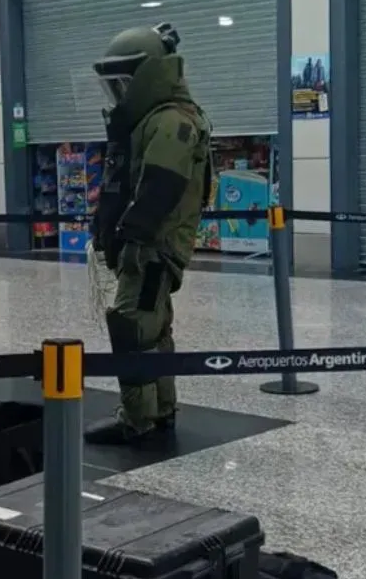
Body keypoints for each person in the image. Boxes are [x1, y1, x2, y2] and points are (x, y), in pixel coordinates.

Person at [85, 22, 213, 445]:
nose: (118, 95)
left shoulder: (170, 122)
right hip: (150, 245)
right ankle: (160, 410)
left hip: (151, 247)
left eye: (124, 84)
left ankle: (136, 418)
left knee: (132, 327)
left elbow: (160, 187)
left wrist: (129, 236)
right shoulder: (157, 120)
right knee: (152, 329)